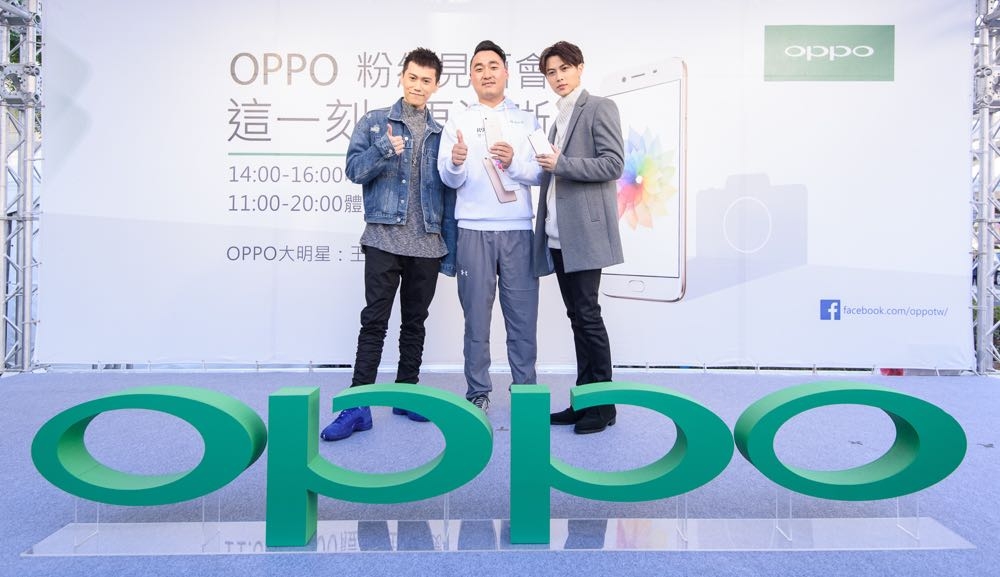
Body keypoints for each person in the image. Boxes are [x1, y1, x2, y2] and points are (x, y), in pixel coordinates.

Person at [321, 47, 457, 441]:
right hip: (383, 238)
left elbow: (449, 195)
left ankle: (405, 394)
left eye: (426, 80)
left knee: (415, 323)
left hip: (427, 243)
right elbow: (353, 171)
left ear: (436, 85)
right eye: (412, 77)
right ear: (402, 77)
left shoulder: (441, 134)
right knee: (374, 322)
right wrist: (383, 150)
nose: (418, 86)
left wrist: (449, 251)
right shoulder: (375, 122)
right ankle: (357, 406)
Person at [438, 40, 543, 414]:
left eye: (493, 66)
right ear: (470, 76)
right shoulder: (458, 121)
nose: (486, 73)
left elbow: (541, 173)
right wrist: (454, 162)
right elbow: (448, 179)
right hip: (473, 231)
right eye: (479, 67)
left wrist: (514, 164)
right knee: (476, 321)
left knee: (523, 319)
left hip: (518, 231)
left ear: (506, 73)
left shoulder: (527, 120)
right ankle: (478, 392)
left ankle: (525, 392)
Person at [532, 40, 624, 434]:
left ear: (580, 68)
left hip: (585, 233)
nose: (558, 78)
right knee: (578, 318)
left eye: (564, 69)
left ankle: (603, 407)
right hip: (559, 235)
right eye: (551, 73)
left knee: (587, 316)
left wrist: (562, 163)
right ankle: (584, 402)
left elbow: (613, 164)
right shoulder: (559, 118)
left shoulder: (599, 107)